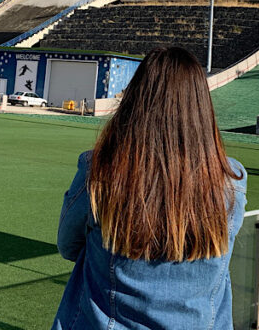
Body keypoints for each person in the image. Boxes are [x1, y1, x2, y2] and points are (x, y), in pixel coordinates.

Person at [52, 47, 247, 330]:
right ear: (201, 109)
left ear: (135, 103)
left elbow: (68, 245)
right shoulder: (231, 179)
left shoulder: (102, 169)